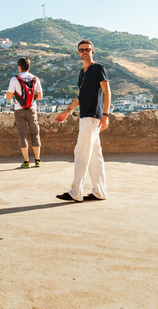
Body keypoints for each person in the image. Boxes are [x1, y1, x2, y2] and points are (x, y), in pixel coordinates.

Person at [54, 40, 111, 202]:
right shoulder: (82, 72)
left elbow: (107, 92)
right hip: (85, 116)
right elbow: (80, 96)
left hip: (93, 116)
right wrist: (66, 112)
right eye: (81, 50)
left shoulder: (98, 69)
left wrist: (105, 115)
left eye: (87, 49)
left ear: (93, 51)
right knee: (94, 156)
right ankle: (100, 192)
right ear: (78, 53)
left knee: (81, 152)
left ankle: (75, 192)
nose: (84, 52)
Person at [6, 57, 43, 168]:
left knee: (22, 135)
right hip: (32, 109)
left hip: (19, 110)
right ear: (29, 67)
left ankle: (26, 161)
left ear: (19, 67)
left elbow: (8, 97)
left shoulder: (14, 79)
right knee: (35, 134)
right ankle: (37, 160)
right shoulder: (35, 79)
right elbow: (40, 97)